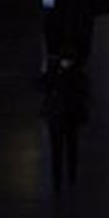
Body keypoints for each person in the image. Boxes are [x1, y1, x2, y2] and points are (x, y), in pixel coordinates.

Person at [41, 55, 89, 192]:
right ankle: (69, 178)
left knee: (60, 150)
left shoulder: (55, 72)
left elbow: (42, 86)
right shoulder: (77, 74)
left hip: (60, 118)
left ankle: (61, 180)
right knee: (68, 149)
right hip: (67, 117)